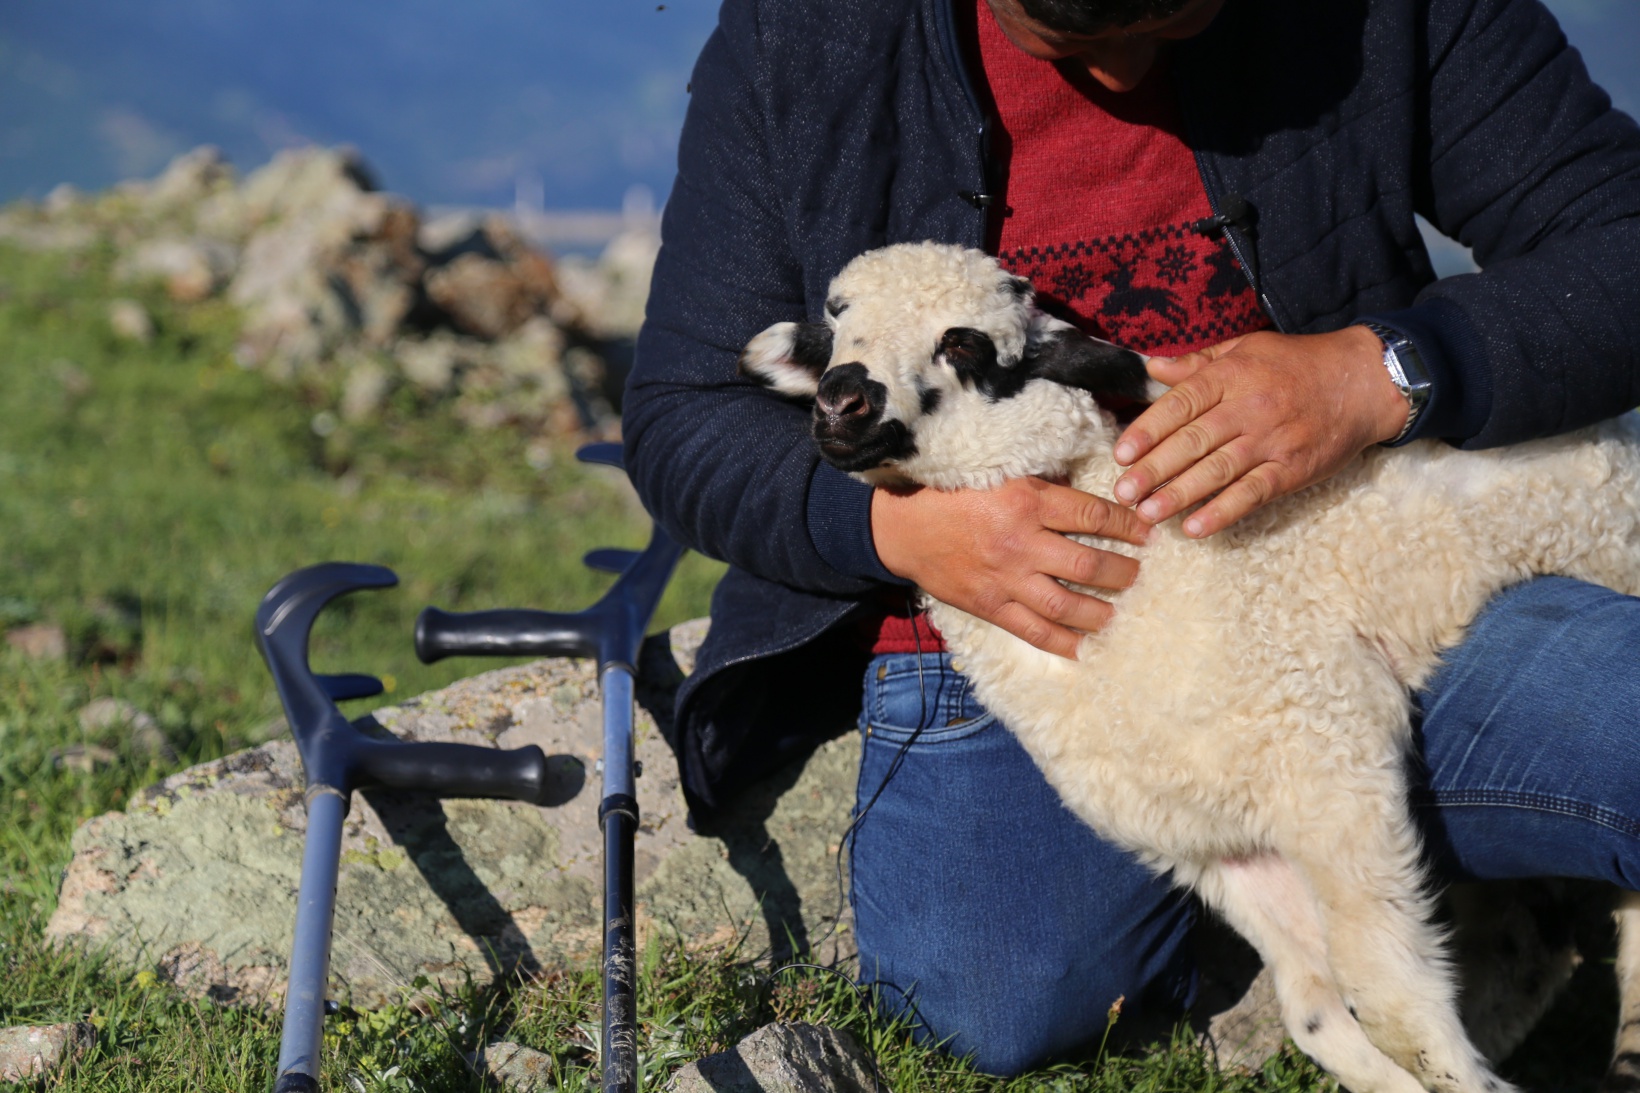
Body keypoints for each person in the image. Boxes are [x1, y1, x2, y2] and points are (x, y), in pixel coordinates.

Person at [623, 0, 1640, 1075]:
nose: (1126, 69)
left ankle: (1483, 859)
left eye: (1185, 15)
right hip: (1016, 635)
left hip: (1344, 567)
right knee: (991, 995)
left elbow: (1617, 238)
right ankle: (1475, 861)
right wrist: (896, 528)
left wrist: (1374, 371)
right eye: (1073, 34)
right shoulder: (805, 37)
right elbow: (682, 408)